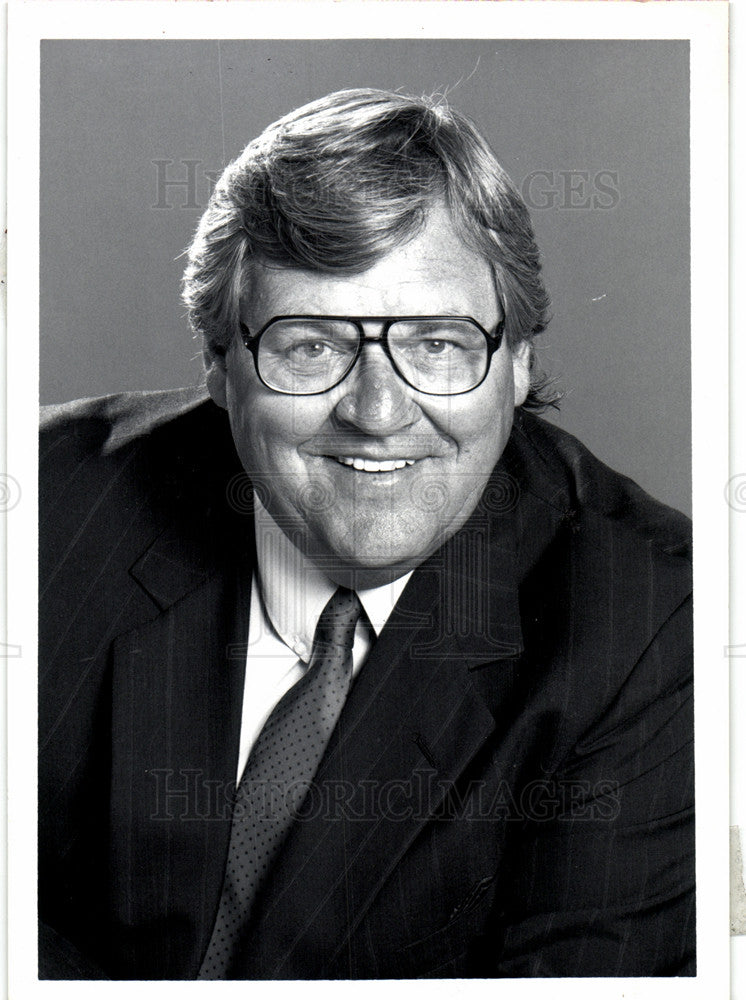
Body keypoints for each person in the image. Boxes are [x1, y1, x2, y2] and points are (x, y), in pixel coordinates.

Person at [38, 88, 694, 980]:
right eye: (311, 345)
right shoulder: (45, 510)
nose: (379, 413)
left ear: (517, 364)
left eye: (437, 343)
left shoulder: (652, 618)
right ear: (220, 369)